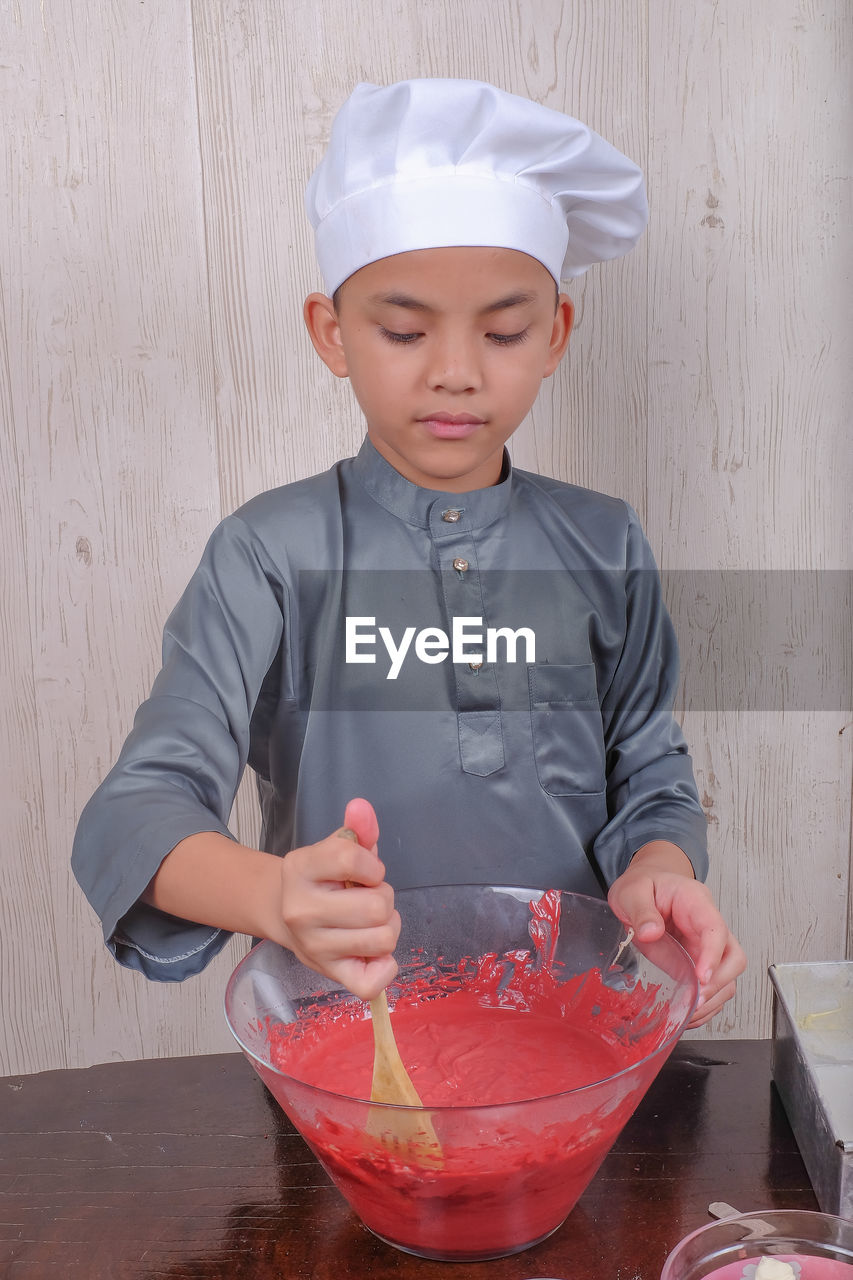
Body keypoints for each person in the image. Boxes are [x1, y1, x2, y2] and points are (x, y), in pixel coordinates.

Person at [72, 78, 745, 1028]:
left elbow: (649, 779)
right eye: (402, 330)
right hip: (347, 1053)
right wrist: (273, 898)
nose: (457, 371)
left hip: (576, 1041)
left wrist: (659, 873)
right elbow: (133, 811)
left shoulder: (604, 543)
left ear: (553, 334)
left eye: (504, 330)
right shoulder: (270, 552)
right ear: (331, 333)